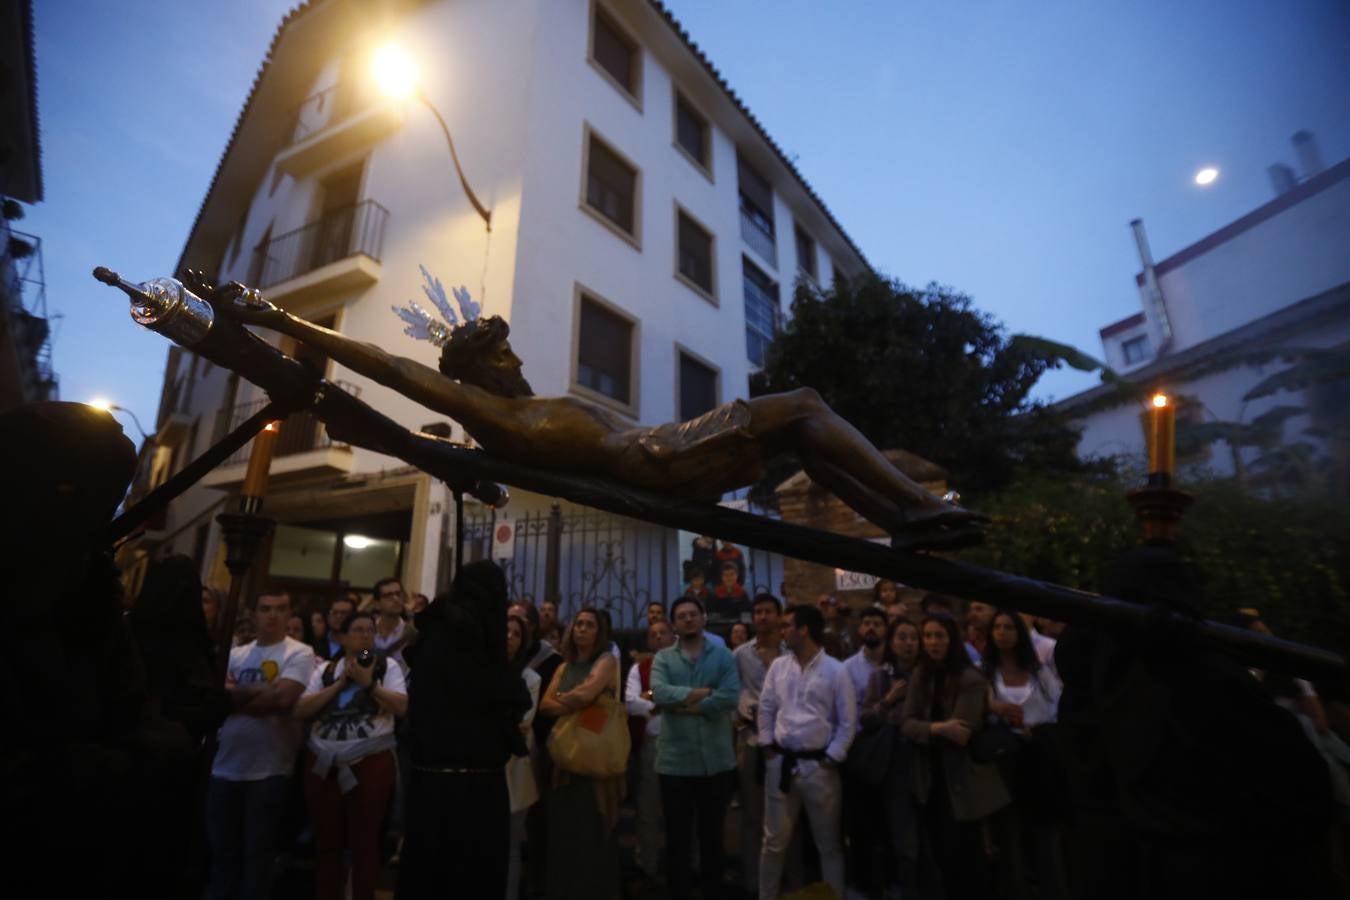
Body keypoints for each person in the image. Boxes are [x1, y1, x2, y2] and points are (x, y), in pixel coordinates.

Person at [207, 279, 987, 544]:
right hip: (657, 457)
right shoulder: (496, 415)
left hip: (663, 444)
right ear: (478, 371)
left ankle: (904, 518)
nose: (513, 357)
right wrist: (277, 317)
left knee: (808, 432)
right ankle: (916, 505)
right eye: (497, 353)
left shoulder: (533, 405)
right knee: (806, 405)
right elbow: (390, 365)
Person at [396, 562, 531, 899]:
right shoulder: (482, 644)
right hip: (477, 787)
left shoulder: (431, 638)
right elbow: (511, 696)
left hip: (430, 781)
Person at [208, 589, 316, 900]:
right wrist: (259, 693)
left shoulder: (300, 652)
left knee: (258, 858)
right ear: (254, 613)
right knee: (221, 855)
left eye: (280, 609)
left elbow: (283, 697)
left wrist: (235, 695)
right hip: (225, 766)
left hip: (269, 770)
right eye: (266, 608)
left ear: (289, 613)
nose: (272, 615)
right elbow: (217, 698)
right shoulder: (236, 654)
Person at [292, 611, 407, 900]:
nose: (365, 635)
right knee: (327, 842)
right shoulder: (327, 670)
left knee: (364, 843)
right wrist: (339, 685)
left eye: (370, 630)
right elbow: (300, 709)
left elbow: (401, 706)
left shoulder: (386, 665)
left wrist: (370, 684)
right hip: (324, 762)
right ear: (343, 637)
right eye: (358, 630)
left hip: (369, 762)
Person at [901, 614, 1009, 900]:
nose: (933, 643)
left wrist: (928, 730)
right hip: (931, 779)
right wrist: (937, 728)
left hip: (963, 780)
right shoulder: (921, 674)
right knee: (942, 855)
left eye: (939, 636)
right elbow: (906, 723)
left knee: (970, 859)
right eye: (928, 636)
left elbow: (960, 732)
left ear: (951, 640)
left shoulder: (970, 678)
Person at [758, 603, 857, 900]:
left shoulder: (836, 671)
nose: (782, 630)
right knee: (774, 842)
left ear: (803, 630)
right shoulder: (778, 666)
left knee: (828, 844)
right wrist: (766, 744)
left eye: (788, 625)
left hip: (820, 767)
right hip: (782, 761)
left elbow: (848, 720)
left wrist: (833, 757)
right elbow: (766, 707)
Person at [651, 597, 742, 900]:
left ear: (704, 618)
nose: (688, 619)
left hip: (716, 762)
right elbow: (661, 694)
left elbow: (729, 696)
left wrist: (686, 706)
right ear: (674, 624)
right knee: (677, 840)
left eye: (693, 614)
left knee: (712, 840)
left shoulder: (724, 656)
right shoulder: (663, 658)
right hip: (675, 763)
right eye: (681, 616)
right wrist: (703, 695)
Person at [538, 608, 625, 899]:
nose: (582, 630)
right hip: (565, 760)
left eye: (589, 625)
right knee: (565, 835)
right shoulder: (564, 667)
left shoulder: (606, 661)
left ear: (599, 632)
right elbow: (545, 707)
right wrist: (575, 701)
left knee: (593, 835)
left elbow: (587, 694)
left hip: (594, 761)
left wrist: (567, 700)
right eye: (578, 624)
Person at [733, 593, 791, 896]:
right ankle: (752, 884)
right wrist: (742, 713)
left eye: (768, 611)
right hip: (752, 741)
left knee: (786, 817)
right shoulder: (741, 654)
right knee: (753, 816)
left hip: (785, 743)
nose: (763, 617)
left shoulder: (789, 654)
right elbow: (733, 691)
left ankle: (790, 883)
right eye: (758, 612)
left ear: (780, 617)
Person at [861, 618, 922, 899]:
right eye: (902, 637)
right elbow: (867, 719)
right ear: (892, 643)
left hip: (925, 754)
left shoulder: (928, 674)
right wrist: (887, 700)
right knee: (900, 833)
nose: (908, 643)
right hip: (895, 758)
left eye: (913, 637)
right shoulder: (881, 676)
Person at [841, 605, 889, 897]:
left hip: (893, 751)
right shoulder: (848, 668)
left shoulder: (894, 664)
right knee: (861, 822)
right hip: (862, 752)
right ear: (860, 630)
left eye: (877, 623)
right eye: (867, 623)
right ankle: (862, 882)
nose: (871, 628)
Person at [627, 619, 677, 881]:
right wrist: (662, 702)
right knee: (647, 808)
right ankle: (647, 864)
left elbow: (686, 696)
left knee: (679, 810)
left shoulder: (685, 665)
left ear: (672, 636)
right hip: (653, 742)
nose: (658, 638)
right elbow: (631, 703)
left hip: (681, 742)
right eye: (653, 634)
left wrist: (654, 697)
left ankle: (682, 865)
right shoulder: (640, 668)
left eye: (663, 633)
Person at [505, 614, 542, 900]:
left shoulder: (530, 679)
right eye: (504, 631)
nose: (509, 637)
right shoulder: (478, 671)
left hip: (514, 770)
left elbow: (520, 723)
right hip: (481, 769)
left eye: (516, 633)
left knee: (510, 846)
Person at [372, 577, 411, 672]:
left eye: (398, 594)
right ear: (377, 603)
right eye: (388, 595)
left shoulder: (412, 632)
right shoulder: (368, 631)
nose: (396, 599)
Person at [819, 594, 854, 660]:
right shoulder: (823, 634)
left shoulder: (852, 633)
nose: (834, 608)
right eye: (831, 605)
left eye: (835, 604)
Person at [322, 596, 355, 661]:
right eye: (334, 612)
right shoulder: (315, 642)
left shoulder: (360, 644)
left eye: (344, 613)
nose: (338, 616)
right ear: (328, 617)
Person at [963, 600, 995, 665]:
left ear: (992, 613)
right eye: (971, 610)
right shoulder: (963, 642)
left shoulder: (999, 643)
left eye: (979, 609)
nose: (973, 614)